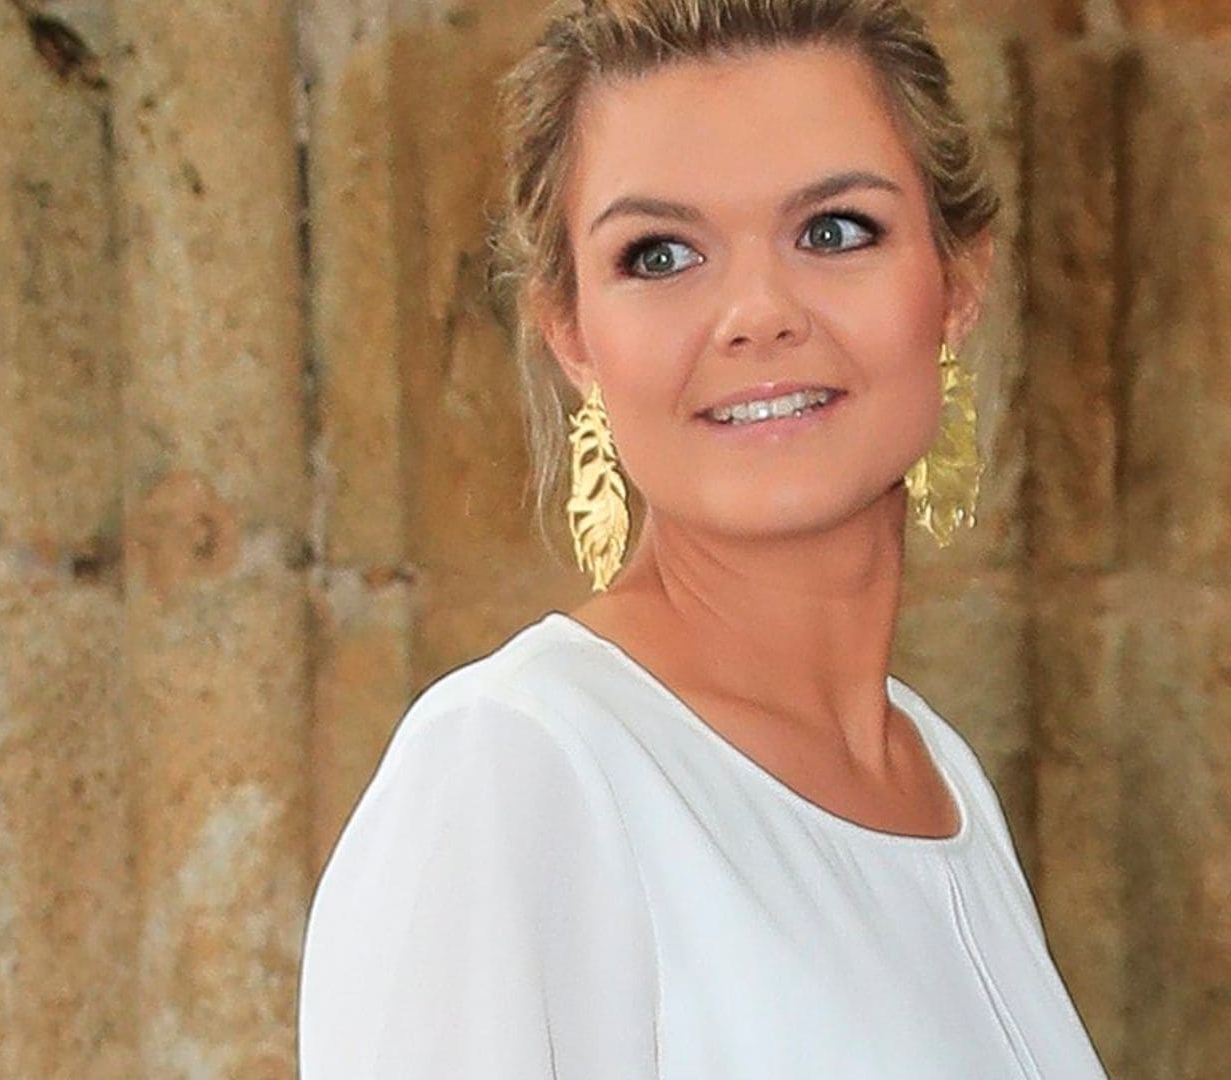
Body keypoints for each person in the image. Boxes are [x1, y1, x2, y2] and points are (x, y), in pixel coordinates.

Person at [296, 1, 1110, 1076]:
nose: (757, 313)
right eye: (662, 253)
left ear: (957, 283)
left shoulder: (942, 782)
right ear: (574, 334)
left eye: (833, 231)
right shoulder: (513, 770)